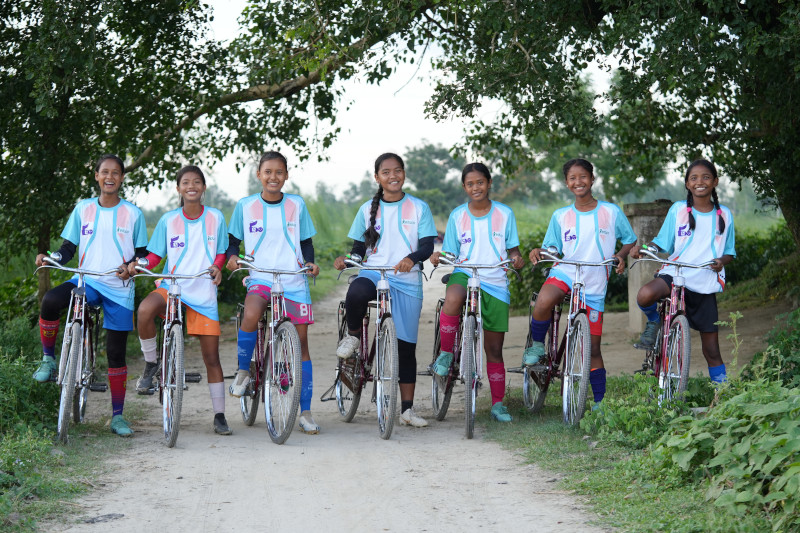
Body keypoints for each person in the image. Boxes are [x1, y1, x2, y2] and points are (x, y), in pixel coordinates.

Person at [34, 154, 148, 437]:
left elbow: (141, 254)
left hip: (119, 289)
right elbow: (68, 248)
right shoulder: (83, 208)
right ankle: (48, 359)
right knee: (50, 301)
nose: (110, 177)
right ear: (96, 176)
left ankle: (118, 417)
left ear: (122, 178)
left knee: (116, 353)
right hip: (88, 281)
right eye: (104, 172)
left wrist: (131, 266)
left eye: (116, 172)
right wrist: (52, 258)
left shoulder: (133, 213)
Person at [333, 152, 437, 428]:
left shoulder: (418, 207)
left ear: (404, 173)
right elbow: (359, 249)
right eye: (386, 172)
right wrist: (348, 259)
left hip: (407, 280)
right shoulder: (367, 209)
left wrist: (411, 259)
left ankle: (407, 410)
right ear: (377, 177)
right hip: (374, 273)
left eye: (398, 170)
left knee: (406, 349)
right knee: (356, 292)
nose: (393, 176)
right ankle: (354, 337)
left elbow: (427, 245)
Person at [128, 165, 231, 435]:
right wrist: (140, 264)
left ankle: (220, 415)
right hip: (173, 286)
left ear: (204, 187)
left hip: (203, 290)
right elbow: (155, 256)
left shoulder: (216, 217)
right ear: (178, 189)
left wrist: (218, 266)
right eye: (185, 182)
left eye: (196, 182)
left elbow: (221, 252)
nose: (191, 186)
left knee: (212, 357)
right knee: (145, 310)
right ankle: (152, 364)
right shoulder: (168, 220)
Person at [527, 158, 636, 409]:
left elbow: (630, 240)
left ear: (592, 179)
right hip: (566, 270)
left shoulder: (611, 212)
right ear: (567, 183)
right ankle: (536, 346)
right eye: (573, 178)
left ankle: (599, 402)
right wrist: (540, 251)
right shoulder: (561, 215)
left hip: (595, 281)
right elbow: (552, 248)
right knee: (544, 300)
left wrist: (620, 256)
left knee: (594, 348)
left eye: (583, 176)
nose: (579, 181)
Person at [225, 151, 321, 434]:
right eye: (268, 172)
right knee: (252, 312)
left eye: (279, 172)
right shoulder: (245, 206)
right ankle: (244, 371)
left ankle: (305, 412)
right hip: (260, 275)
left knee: (301, 343)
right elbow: (233, 242)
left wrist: (310, 262)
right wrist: (232, 257)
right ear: (259, 175)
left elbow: (306, 242)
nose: (273, 177)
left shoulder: (296, 204)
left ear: (286, 175)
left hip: (293, 279)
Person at [429, 163, 525, 423]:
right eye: (470, 184)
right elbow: (450, 251)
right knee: (453, 298)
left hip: (495, 279)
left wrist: (517, 259)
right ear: (464, 187)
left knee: (494, 349)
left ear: (489, 183)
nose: (476, 188)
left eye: (480, 182)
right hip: (465, 272)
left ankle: (498, 405)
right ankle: (446, 354)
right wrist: (439, 256)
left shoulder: (505, 213)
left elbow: (513, 249)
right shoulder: (458, 215)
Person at [631, 159, 735, 384]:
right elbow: (661, 242)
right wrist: (645, 248)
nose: (700, 182)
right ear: (687, 184)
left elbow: (729, 252)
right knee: (645, 294)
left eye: (706, 177)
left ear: (715, 182)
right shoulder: (678, 210)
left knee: (712, 349)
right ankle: (654, 322)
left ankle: (723, 392)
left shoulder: (724, 214)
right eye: (694, 178)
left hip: (705, 281)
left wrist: (721, 261)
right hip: (676, 274)